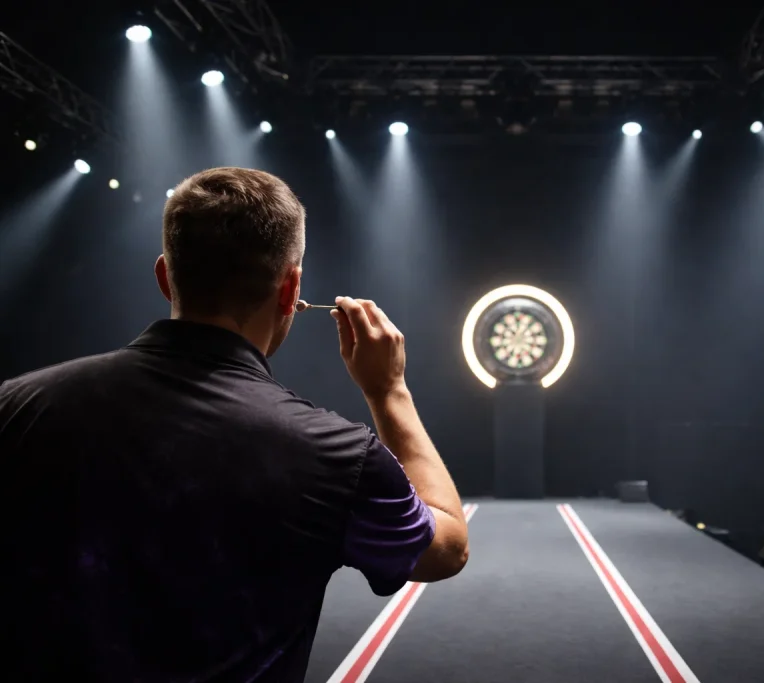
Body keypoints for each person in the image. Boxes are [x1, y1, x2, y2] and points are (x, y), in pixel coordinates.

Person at [0, 167, 469, 682]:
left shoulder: (16, 406)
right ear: (290, 290)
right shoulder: (332, 454)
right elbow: (444, 549)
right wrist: (389, 391)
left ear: (164, 275)